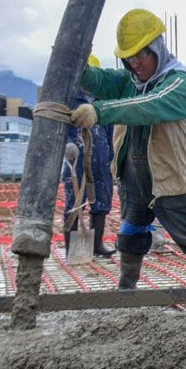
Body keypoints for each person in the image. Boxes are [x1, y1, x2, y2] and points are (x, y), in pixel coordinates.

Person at [69, 8, 186, 313]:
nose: (134, 63)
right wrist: (75, 61)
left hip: (170, 183)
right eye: (129, 58)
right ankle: (126, 292)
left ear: (157, 48)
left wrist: (101, 111)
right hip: (133, 181)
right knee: (130, 235)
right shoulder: (129, 80)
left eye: (141, 55)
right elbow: (97, 80)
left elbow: (146, 106)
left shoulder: (179, 84)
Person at [63, 54, 116, 259]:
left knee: (101, 200)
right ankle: (73, 249)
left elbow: (109, 128)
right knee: (75, 201)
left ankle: (96, 245)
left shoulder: (102, 103)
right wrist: (68, 146)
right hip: (75, 159)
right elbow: (62, 128)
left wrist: (110, 153)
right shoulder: (70, 101)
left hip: (100, 160)